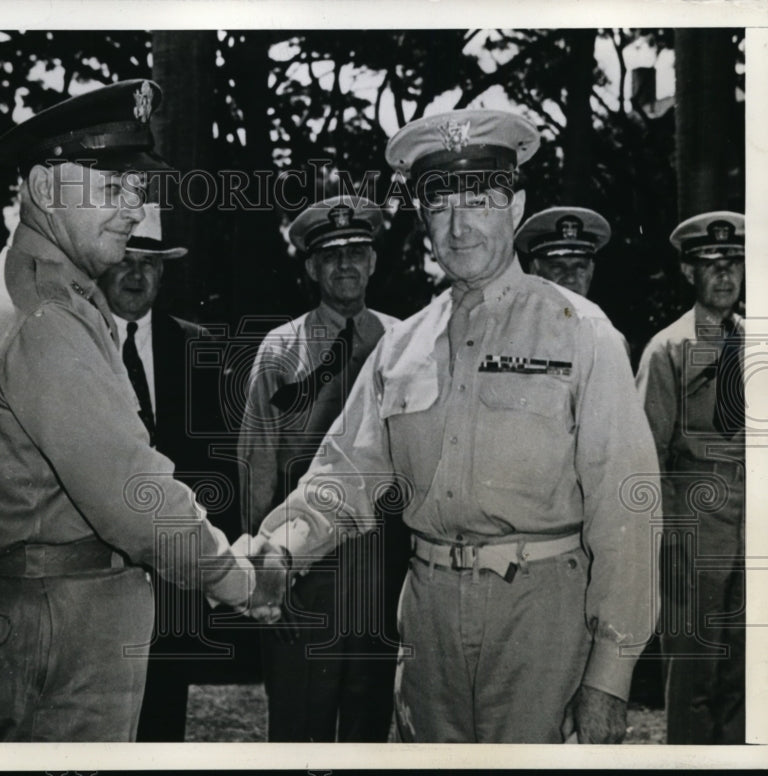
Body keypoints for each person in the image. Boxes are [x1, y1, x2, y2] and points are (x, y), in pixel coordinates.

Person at [253, 109, 661, 743]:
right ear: (423, 217)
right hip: (429, 625)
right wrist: (282, 546)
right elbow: (346, 474)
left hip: (542, 619)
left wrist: (610, 673)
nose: (460, 224)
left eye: (480, 198)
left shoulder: (582, 333)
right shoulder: (402, 346)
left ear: (515, 205)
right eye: (439, 203)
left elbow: (627, 508)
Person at [0, 80, 283, 743]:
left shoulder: (52, 295)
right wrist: (236, 579)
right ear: (41, 188)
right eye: (112, 184)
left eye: (137, 189)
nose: (131, 208)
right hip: (54, 628)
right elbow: (132, 492)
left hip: (46, 616)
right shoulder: (45, 314)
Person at [238, 195, 405, 742]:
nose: (346, 265)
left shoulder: (404, 343)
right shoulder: (281, 350)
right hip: (304, 567)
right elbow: (258, 467)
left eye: (357, 251)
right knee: (299, 722)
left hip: (384, 561)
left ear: (374, 260)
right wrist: (266, 570)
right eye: (330, 255)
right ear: (310, 267)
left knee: (370, 719)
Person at [98, 205, 250, 741]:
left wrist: (213, 562)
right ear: (101, 266)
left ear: (164, 273)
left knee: (162, 724)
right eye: (124, 260)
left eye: (151, 263)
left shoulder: (197, 347)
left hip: (173, 575)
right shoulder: (73, 344)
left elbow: (218, 466)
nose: (137, 275)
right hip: (91, 575)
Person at [636, 211, 746, 745]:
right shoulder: (667, 350)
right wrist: (664, 544)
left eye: (733, 263)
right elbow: (647, 457)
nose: (724, 276)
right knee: (693, 680)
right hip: (692, 532)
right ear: (688, 273)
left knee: (743, 680)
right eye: (710, 265)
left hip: (750, 532)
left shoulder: (755, 344)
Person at [514, 206, 611, 297]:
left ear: (591, 270)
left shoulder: (597, 315)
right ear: (534, 270)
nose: (570, 278)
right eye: (558, 267)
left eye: (580, 267)